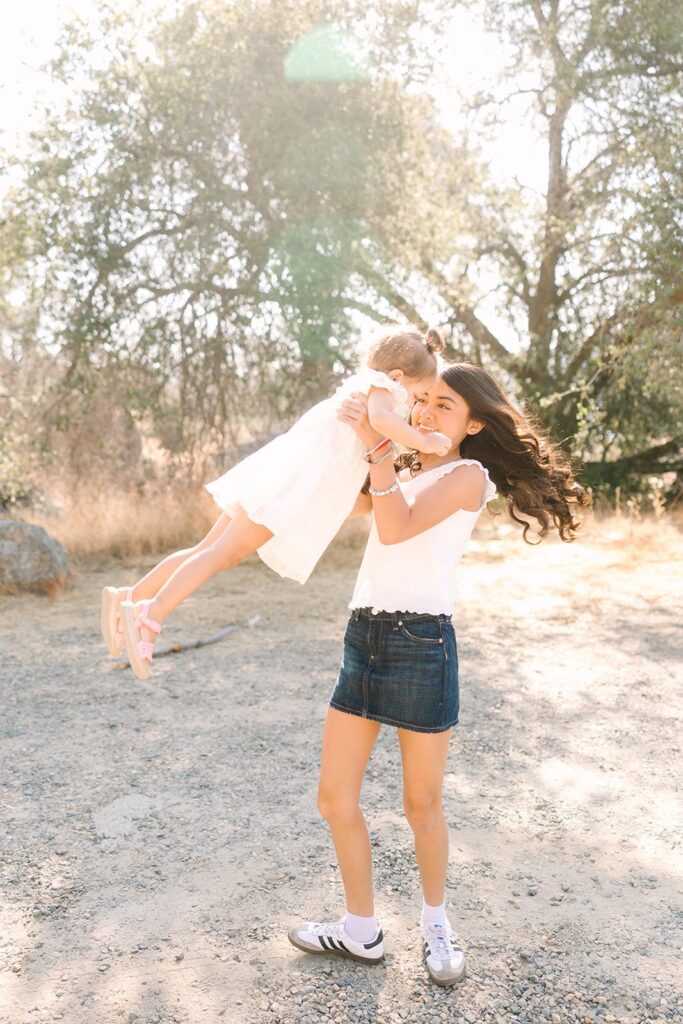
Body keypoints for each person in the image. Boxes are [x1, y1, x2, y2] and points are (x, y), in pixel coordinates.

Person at [287, 361, 589, 986]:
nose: (424, 414)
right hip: (363, 634)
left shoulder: (469, 476)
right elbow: (343, 508)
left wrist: (378, 446)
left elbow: (394, 529)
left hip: (423, 642)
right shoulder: (403, 467)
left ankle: (435, 923)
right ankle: (361, 930)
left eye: (443, 406)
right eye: (421, 401)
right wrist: (352, 435)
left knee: (420, 804)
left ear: (474, 422)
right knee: (333, 796)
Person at [100, 324, 451, 679]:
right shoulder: (383, 393)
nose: (414, 404)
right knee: (222, 554)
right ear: (396, 376)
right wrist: (425, 442)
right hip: (288, 488)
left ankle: (130, 596)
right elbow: (381, 421)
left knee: (205, 548)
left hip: (279, 475)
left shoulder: (361, 388)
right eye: (418, 394)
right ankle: (150, 615)